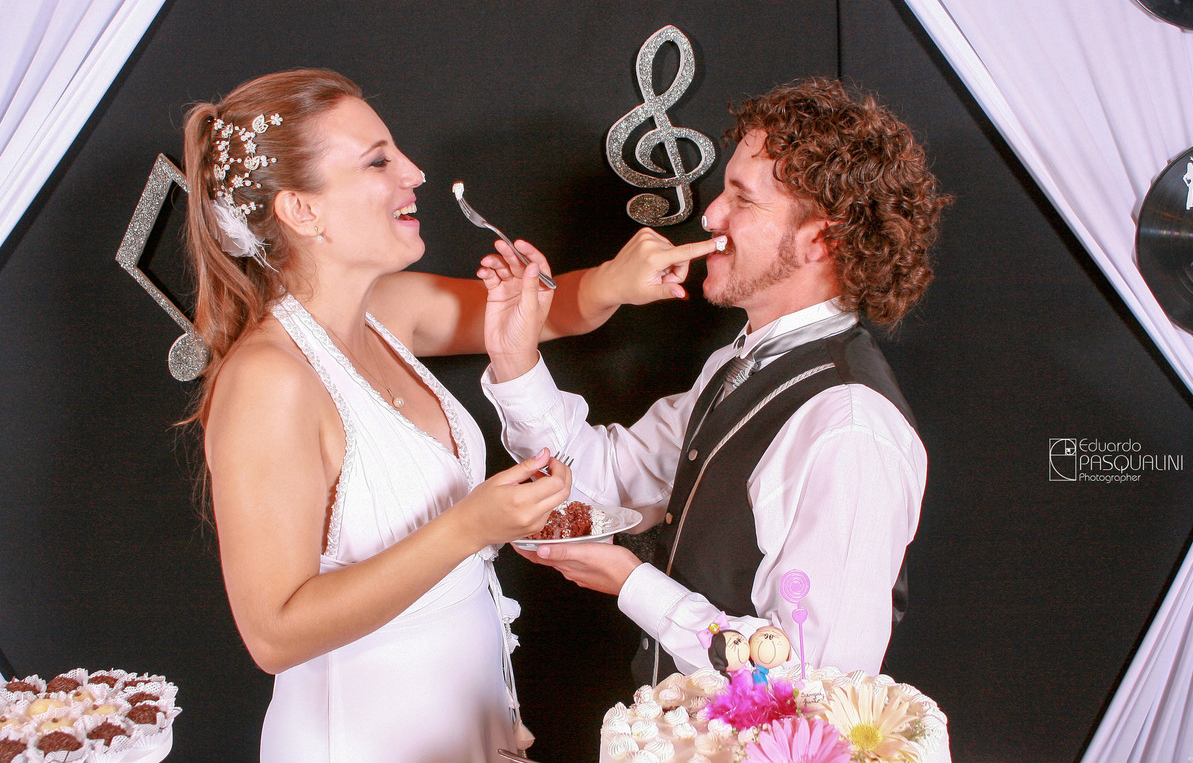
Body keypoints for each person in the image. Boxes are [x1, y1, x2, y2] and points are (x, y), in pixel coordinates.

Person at [181, 68, 714, 763]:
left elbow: (535, 314)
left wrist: (617, 280)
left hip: (463, 727)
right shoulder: (269, 380)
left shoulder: (385, 311)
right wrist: (471, 526)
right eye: (378, 161)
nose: (415, 172)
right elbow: (274, 635)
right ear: (302, 211)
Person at [481, 77, 950, 684]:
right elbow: (608, 478)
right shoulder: (739, 362)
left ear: (821, 241)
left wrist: (633, 583)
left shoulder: (850, 427)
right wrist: (514, 356)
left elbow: (817, 680)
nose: (710, 215)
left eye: (742, 199)